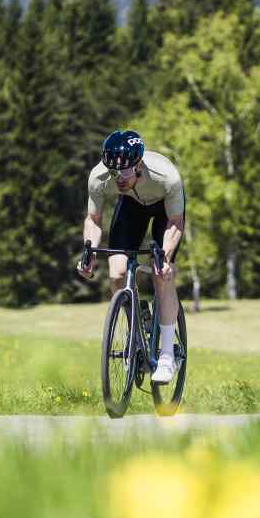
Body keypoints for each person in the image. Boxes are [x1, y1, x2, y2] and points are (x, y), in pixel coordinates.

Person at [77, 130, 184, 384]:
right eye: (114, 171)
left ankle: (168, 356)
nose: (119, 177)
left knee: (162, 275)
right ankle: (136, 330)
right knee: (117, 273)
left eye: (125, 170)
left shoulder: (166, 176)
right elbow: (93, 219)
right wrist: (88, 249)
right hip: (131, 207)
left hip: (165, 212)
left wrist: (165, 258)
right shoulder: (99, 177)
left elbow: (176, 221)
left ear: (138, 164)